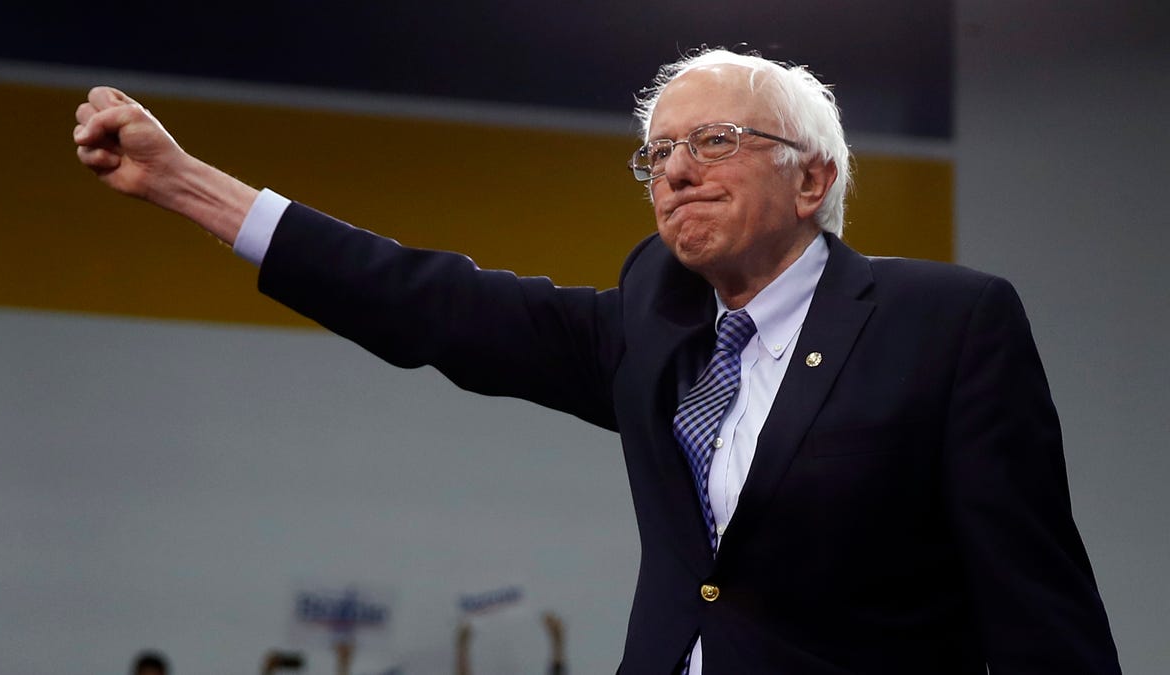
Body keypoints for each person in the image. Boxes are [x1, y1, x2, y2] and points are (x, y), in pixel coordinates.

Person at [75, 48, 1120, 673]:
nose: (674, 172)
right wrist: (187, 187)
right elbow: (432, 303)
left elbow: (1039, 610)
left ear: (814, 182)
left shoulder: (945, 324)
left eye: (713, 143)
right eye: (657, 153)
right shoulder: (653, 324)